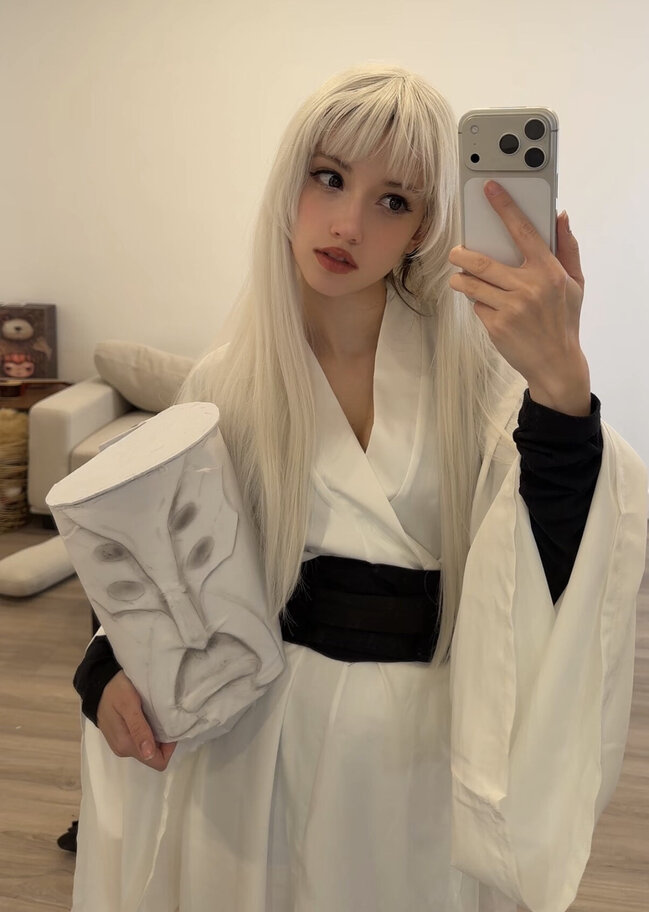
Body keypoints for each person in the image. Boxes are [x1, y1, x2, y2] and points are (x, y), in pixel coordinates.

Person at [70, 65, 647, 912]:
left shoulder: (482, 384)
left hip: (419, 766)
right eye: (329, 177)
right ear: (289, 182)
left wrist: (561, 389)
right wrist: (104, 669)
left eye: (393, 200)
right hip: (252, 759)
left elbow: (564, 558)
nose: (347, 223)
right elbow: (159, 557)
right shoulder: (225, 385)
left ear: (423, 228)